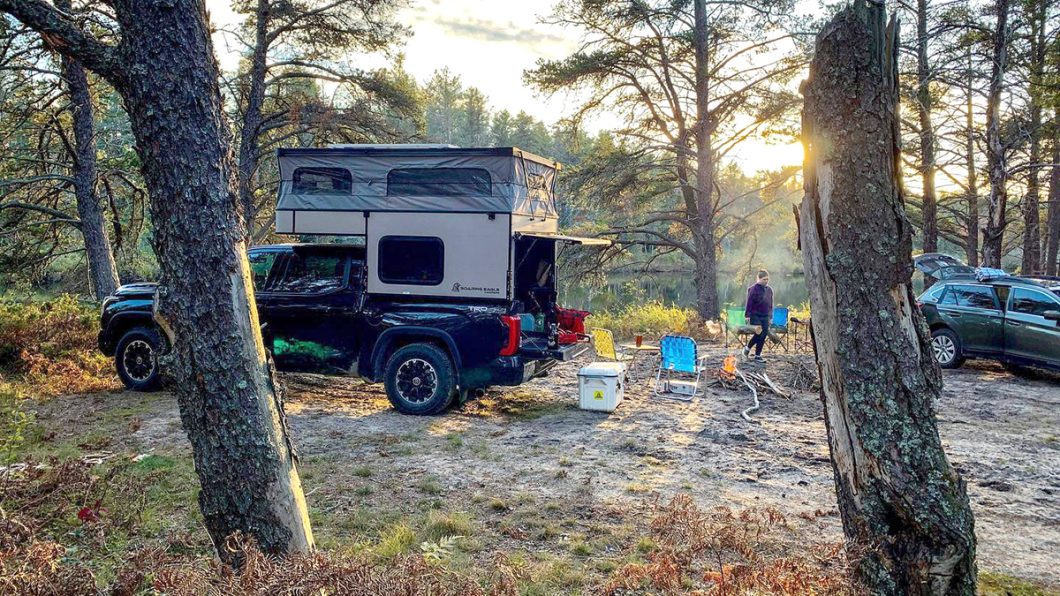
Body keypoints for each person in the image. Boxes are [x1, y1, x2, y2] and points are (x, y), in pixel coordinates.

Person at [743, 269, 773, 363]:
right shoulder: (753, 289)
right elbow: (749, 302)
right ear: (759, 279)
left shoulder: (769, 290)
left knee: (764, 334)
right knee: (759, 333)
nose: (766, 281)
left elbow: (771, 304)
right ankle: (747, 348)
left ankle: (757, 355)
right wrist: (747, 315)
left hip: (765, 315)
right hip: (755, 315)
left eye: (767, 279)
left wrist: (771, 316)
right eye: (764, 279)